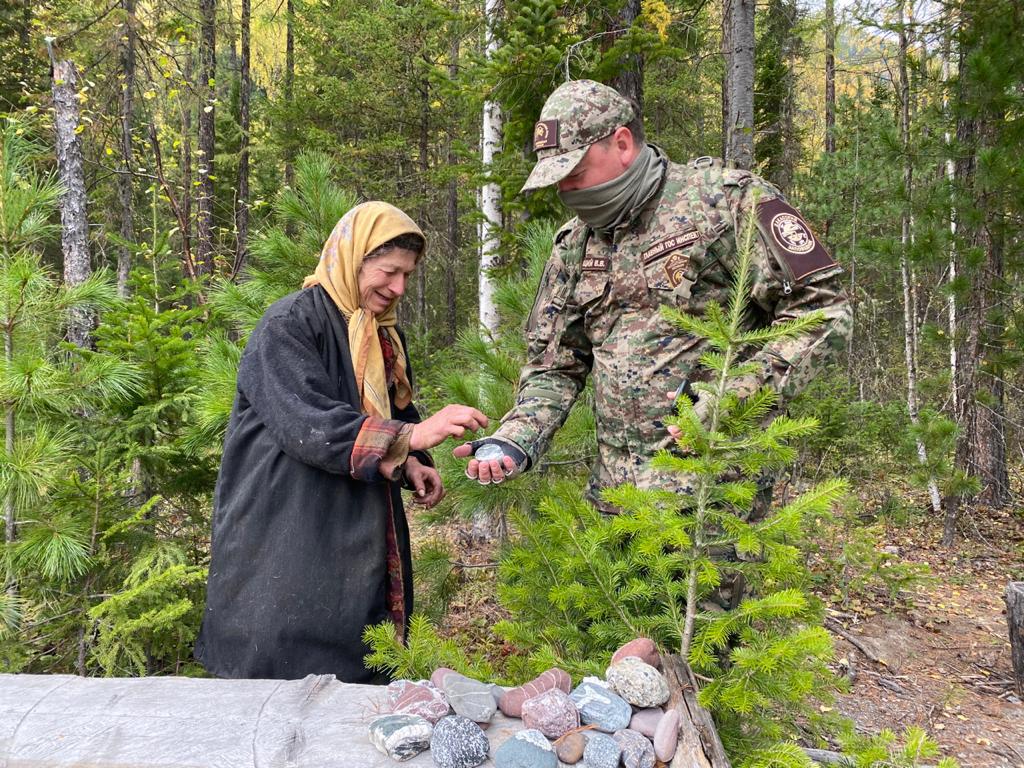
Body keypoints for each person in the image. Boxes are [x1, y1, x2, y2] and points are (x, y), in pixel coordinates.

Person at [455, 79, 851, 521]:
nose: (566, 191)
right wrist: (515, 439)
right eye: (558, 180)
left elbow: (824, 310)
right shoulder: (575, 243)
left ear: (621, 143)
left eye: (575, 173)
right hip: (614, 502)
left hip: (712, 505)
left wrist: (736, 395)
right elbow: (555, 365)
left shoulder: (727, 203)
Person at [196, 201, 488, 682]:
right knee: (281, 665)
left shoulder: (382, 336)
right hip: (285, 526)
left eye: (407, 276)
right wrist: (411, 435)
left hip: (357, 527)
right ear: (354, 259)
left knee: (357, 658)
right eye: (389, 272)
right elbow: (308, 424)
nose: (398, 288)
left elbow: (390, 412)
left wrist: (413, 458)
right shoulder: (289, 323)